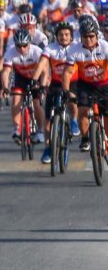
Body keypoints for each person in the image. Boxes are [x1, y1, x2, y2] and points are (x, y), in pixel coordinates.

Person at [0, 28, 46, 145]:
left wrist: (42, 86)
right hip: (20, 78)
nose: (21, 49)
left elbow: (45, 71)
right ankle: (17, 128)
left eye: (24, 45)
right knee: (16, 101)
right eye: (18, 46)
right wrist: (5, 87)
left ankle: (40, 131)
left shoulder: (37, 52)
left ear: (29, 43)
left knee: (36, 103)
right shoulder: (10, 52)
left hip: (36, 78)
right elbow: (5, 72)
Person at [62, 17, 108, 152]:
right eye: (85, 37)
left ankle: (106, 138)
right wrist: (66, 91)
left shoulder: (105, 47)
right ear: (80, 37)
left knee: (106, 114)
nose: (88, 40)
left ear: (97, 35)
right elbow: (67, 72)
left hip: (104, 84)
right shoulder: (74, 49)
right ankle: (85, 138)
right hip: (86, 85)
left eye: (91, 36)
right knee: (82, 110)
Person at [38, 21, 78, 164]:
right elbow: (43, 63)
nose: (63, 37)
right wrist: (35, 80)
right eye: (60, 34)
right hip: (55, 84)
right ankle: (48, 148)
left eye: (67, 34)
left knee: (72, 98)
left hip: (74, 82)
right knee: (48, 119)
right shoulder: (50, 48)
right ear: (56, 36)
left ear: (71, 37)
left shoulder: (77, 48)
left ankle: (74, 121)